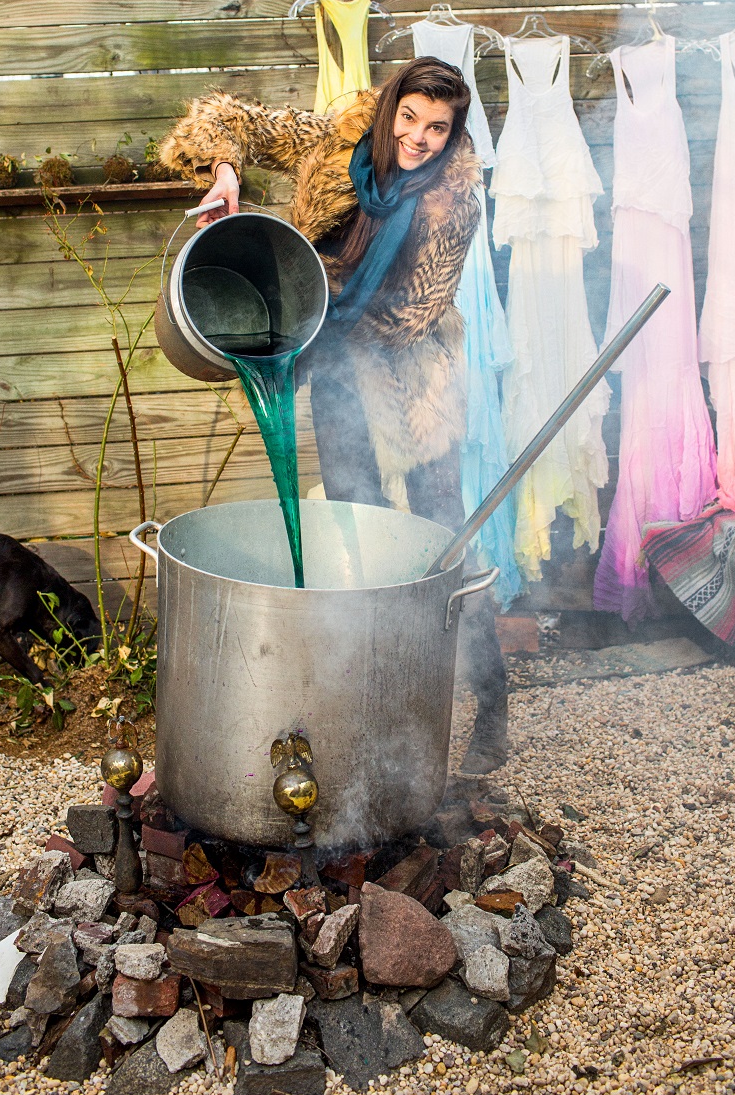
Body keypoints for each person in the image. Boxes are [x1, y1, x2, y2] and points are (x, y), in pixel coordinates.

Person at [159, 56, 510, 774]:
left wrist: (320, 303)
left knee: (444, 544)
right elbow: (231, 119)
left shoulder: (454, 201)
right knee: (354, 527)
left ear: (453, 134)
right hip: (333, 370)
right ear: (388, 111)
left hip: (414, 382)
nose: (418, 138)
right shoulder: (338, 138)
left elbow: (416, 312)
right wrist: (225, 171)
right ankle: (373, 700)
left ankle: (492, 702)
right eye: (409, 118)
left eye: (437, 128)